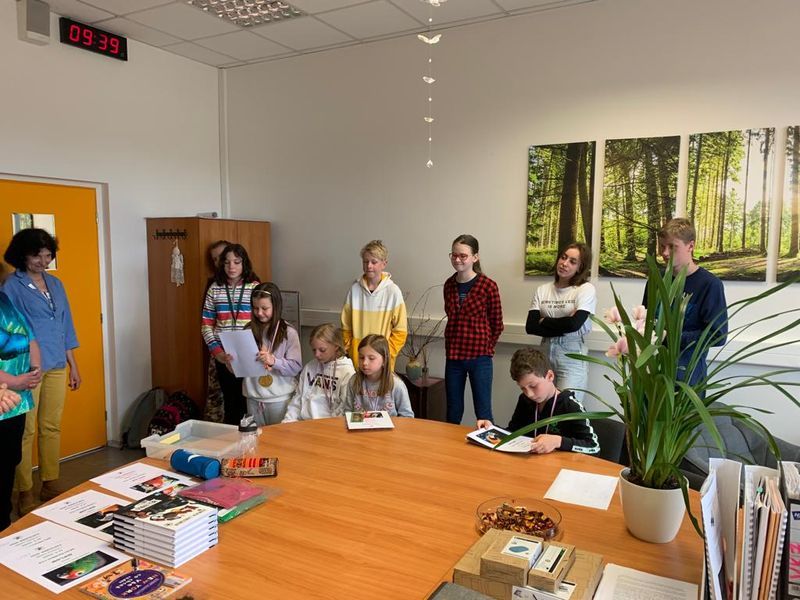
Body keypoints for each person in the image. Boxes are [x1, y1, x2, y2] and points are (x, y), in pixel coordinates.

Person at [3, 228, 79, 511]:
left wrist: (73, 365)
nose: (43, 261)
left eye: (48, 255)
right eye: (37, 256)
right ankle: (23, 489)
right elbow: (10, 330)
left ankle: (49, 482)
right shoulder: (11, 286)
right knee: (25, 431)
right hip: (26, 369)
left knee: (51, 425)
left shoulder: (56, 284)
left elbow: (66, 326)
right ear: (23, 255)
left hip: (57, 362)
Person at [647, 218, 727, 387]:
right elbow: (645, 320)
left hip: (688, 381)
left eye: (672, 247)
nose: (664, 253)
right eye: (662, 246)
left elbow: (718, 336)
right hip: (652, 375)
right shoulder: (655, 280)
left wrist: (672, 338)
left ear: (690, 246)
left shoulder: (710, 285)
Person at [477, 347, 598, 455]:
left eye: (533, 386)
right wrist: (491, 428)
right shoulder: (524, 400)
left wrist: (558, 441)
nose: (529, 394)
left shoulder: (571, 406)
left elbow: (594, 447)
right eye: (523, 388)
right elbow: (514, 433)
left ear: (550, 376)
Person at [525, 242, 596, 407]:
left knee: (566, 409)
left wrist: (544, 321)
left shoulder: (585, 289)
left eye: (572, 261)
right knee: (542, 407)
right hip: (544, 352)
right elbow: (531, 327)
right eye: (563, 258)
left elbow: (574, 325)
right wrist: (565, 322)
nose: (564, 263)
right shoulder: (542, 290)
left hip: (571, 355)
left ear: (580, 268)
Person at [443, 234, 504, 425]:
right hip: (454, 357)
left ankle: (487, 442)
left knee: (483, 411)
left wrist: (487, 347)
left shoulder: (488, 286)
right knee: (453, 409)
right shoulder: (449, 285)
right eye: (454, 255)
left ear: (475, 257)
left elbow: (497, 323)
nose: (457, 260)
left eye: (463, 256)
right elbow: (451, 316)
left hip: (480, 358)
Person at [201, 243, 260, 425]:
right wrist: (217, 353)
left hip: (250, 353)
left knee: (249, 401)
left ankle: (251, 438)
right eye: (227, 262)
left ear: (244, 263)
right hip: (224, 355)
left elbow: (262, 320)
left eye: (236, 262)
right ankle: (232, 439)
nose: (231, 267)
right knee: (230, 403)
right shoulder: (214, 288)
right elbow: (206, 325)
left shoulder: (254, 287)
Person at [0, 285, 41, 529]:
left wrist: (34, 370)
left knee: (9, 461)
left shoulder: (6, 300)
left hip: (16, 403)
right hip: (7, 394)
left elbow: (30, 337)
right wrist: (14, 381)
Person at [340, 240, 407, 369]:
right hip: (358, 361)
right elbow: (346, 327)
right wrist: (351, 349)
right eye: (365, 262)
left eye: (374, 262)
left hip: (383, 364)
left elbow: (400, 331)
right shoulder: (354, 290)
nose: (369, 266)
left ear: (384, 264)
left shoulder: (393, 292)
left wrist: (385, 353)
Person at [242, 283, 302, 425]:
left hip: (279, 399)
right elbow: (241, 368)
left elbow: (296, 367)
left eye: (265, 308)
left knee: (279, 437)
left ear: (276, 306)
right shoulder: (247, 330)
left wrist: (274, 361)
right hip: (253, 398)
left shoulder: (288, 332)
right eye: (255, 308)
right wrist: (231, 362)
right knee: (255, 436)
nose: (259, 313)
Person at [282, 324, 355, 422]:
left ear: (336, 346)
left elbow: (344, 408)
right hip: (305, 423)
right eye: (314, 350)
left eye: (322, 350)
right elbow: (298, 399)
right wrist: (287, 421)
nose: (317, 354)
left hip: (330, 425)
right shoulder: (310, 367)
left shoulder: (347, 371)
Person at [342, 335, 414, 417]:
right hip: (360, 425)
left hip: (389, 425)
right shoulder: (354, 381)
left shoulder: (397, 384)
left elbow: (407, 416)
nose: (365, 363)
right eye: (361, 357)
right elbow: (347, 412)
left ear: (384, 360)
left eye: (371, 358)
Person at [203, 239, 231, 423]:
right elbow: (207, 321)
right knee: (217, 397)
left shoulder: (251, 283)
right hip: (219, 349)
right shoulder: (213, 286)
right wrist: (217, 352)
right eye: (215, 259)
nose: (219, 262)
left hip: (245, 350)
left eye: (222, 257)